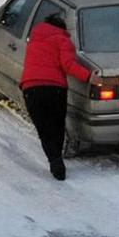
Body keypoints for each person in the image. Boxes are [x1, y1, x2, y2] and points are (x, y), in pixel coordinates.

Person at [19, 14, 102, 181]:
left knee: (43, 129)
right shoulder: (63, 40)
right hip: (54, 88)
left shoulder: (34, 39)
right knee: (56, 126)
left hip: (31, 87)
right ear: (61, 28)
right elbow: (69, 65)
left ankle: (54, 161)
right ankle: (57, 161)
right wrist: (88, 77)